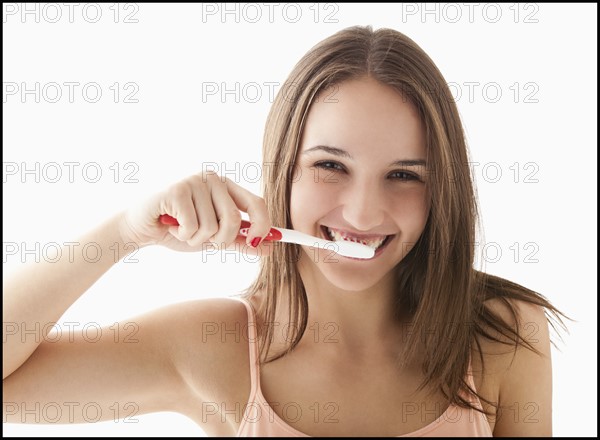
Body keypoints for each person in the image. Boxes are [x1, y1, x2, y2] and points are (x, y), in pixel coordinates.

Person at [3, 25, 568, 437]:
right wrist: (124, 231)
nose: (365, 213)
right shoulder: (212, 347)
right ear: (284, 171)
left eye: (403, 175)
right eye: (330, 166)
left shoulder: (503, 336)